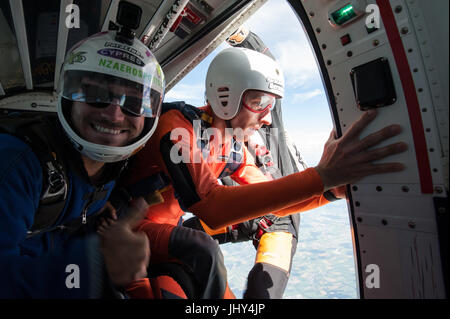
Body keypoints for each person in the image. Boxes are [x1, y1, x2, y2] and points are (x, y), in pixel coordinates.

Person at [114, 46, 407, 299]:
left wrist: (329, 190)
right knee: (202, 251)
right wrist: (322, 176)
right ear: (224, 96)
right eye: (259, 103)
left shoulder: (232, 147)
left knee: (225, 239)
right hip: (127, 227)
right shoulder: (177, 128)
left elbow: (277, 205)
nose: (267, 118)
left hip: (163, 227)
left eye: (271, 106)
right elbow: (212, 209)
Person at [0, 29, 165, 298]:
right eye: (96, 93)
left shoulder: (112, 169)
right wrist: (92, 265)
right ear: (68, 96)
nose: (114, 113)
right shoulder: (17, 163)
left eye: (135, 103)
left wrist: (101, 214)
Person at [182, 27, 315, 299]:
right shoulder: (217, 134)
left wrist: (237, 32)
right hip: (242, 215)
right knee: (181, 239)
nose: (261, 115)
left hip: (279, 219)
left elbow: (268, 64)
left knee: (260, 294)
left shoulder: (268, 118)